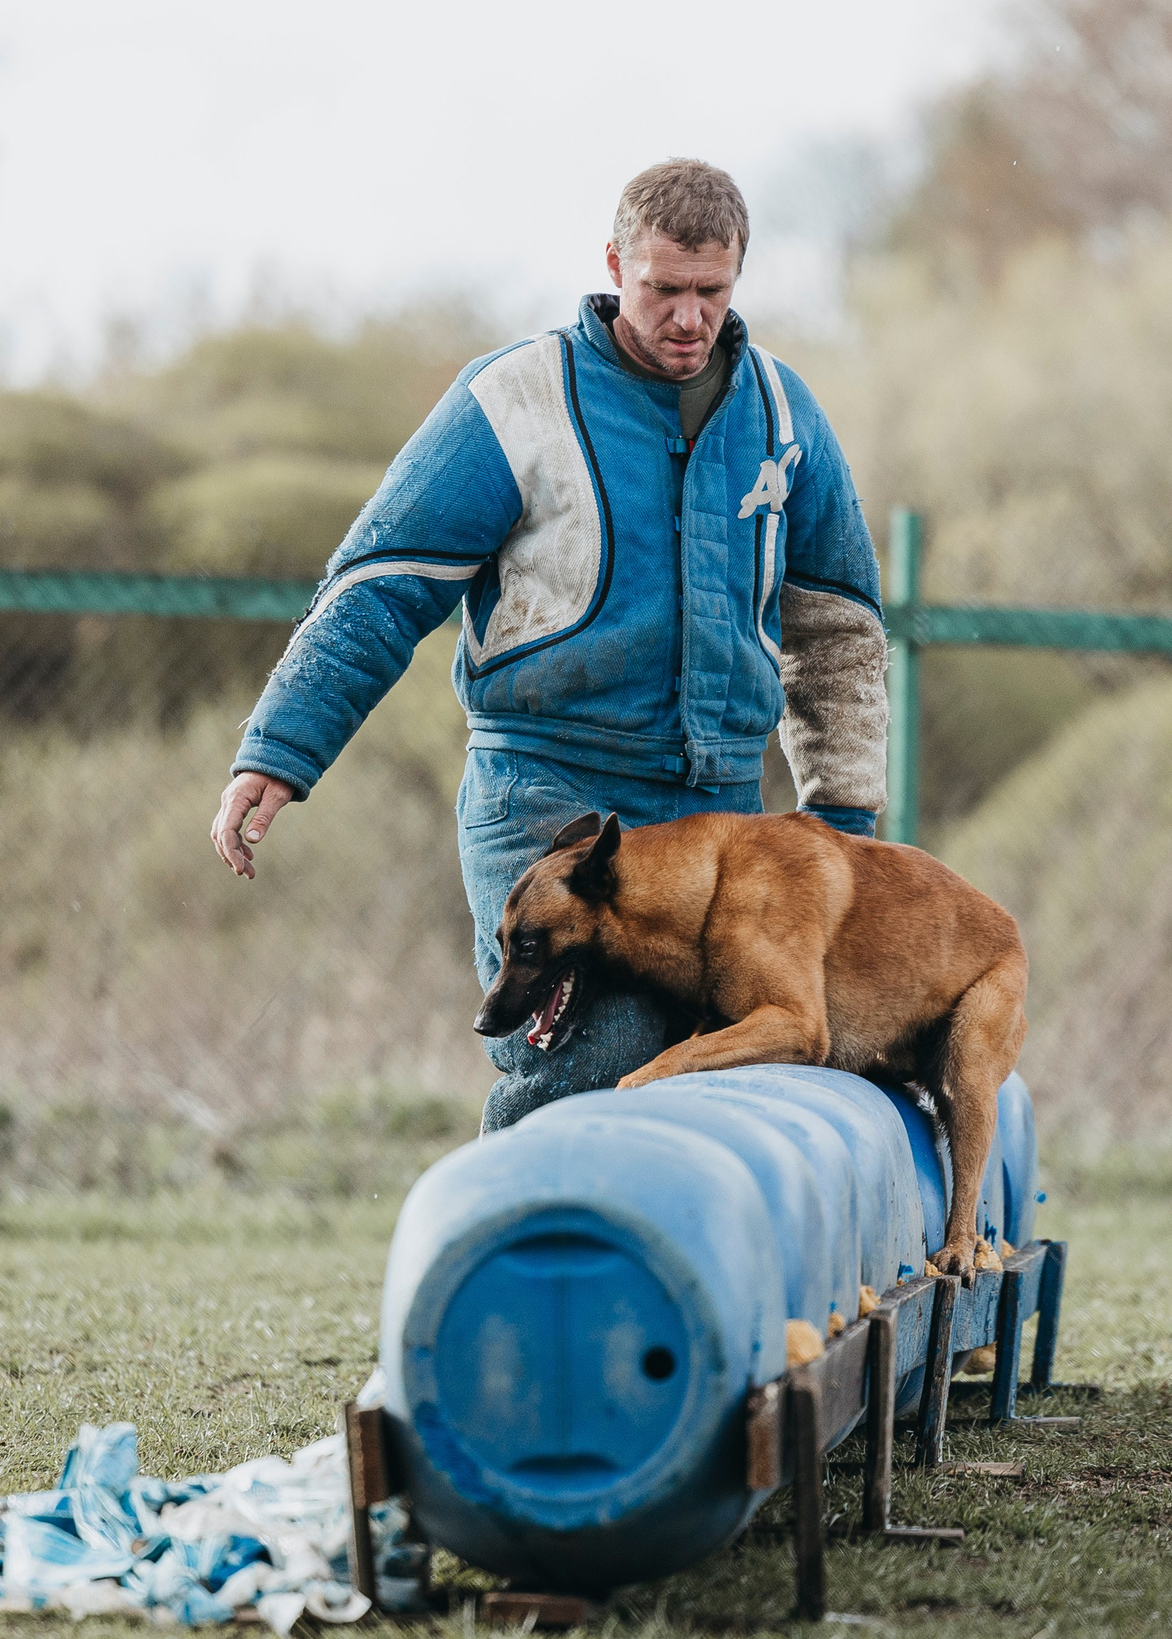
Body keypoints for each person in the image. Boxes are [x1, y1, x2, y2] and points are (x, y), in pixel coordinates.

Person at [208, 157, 888, 1131]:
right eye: (662, 289)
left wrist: (844, 829)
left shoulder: (785, 416)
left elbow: (839, 636)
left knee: (726, 1068)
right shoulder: (511, 401)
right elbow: (379, 585)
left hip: (721, 811)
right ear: (615, 264)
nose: (687, 318)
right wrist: (279, 751)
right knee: (587, 1061)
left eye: (711, 292)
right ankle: (515, 1276)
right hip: (549, 794)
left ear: (738, 274)